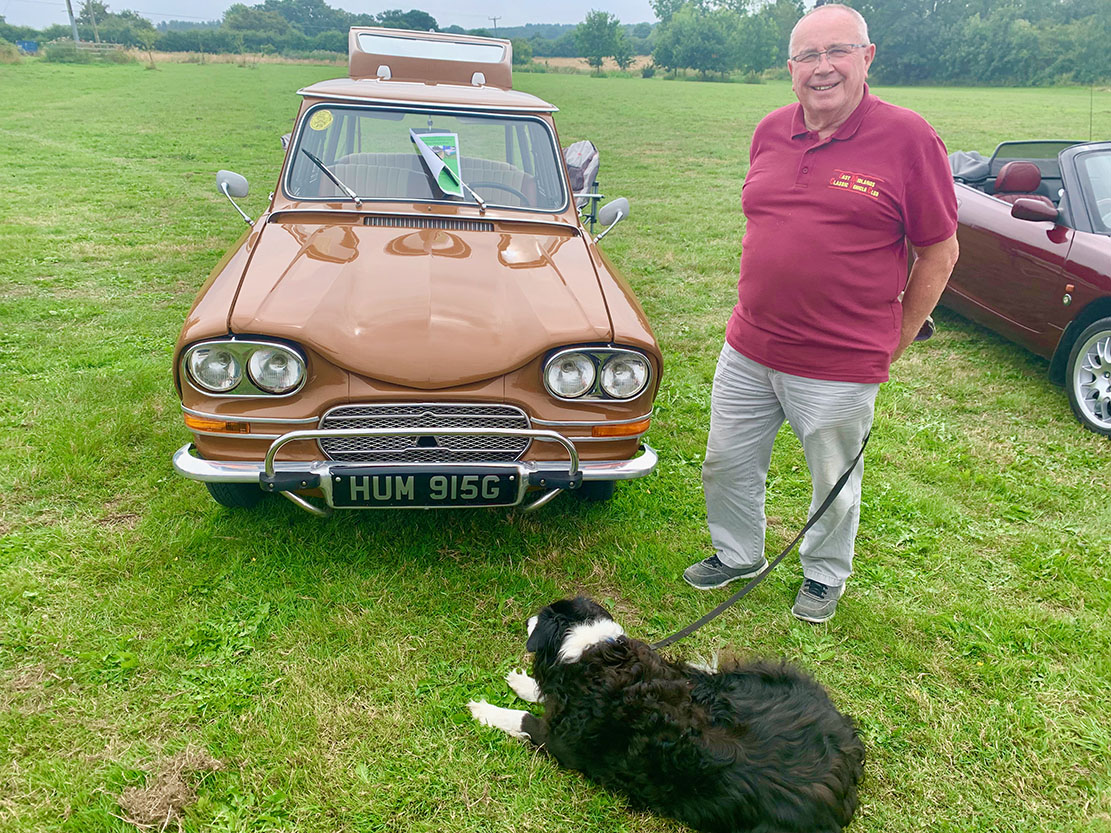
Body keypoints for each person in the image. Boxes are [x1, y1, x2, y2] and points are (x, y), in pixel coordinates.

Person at [683, 3, 960, 623]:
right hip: (749, 345)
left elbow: (940, 251)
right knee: (727, 462)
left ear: (867, 58)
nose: (822, 67)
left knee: (833, 480)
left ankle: (823, 573)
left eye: (837, 51)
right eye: (808, 55)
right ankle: (737, 554)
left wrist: (896, 338)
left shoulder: (909, 138)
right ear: (791, 69)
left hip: (840, 358)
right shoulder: (770, 131)